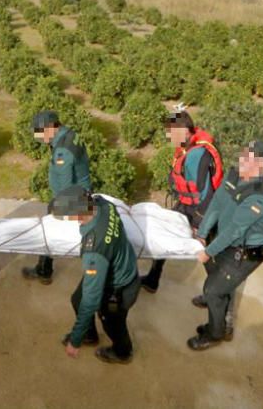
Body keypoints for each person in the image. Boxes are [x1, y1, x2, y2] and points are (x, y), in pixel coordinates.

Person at [188, 141, 263, 350]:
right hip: (226, 243)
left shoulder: (257, 197)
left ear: (260, 166)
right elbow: (216, 204)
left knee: (213, 290)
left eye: (250, 157)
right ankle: (219, 304)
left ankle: (216, 332)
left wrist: (208, 251)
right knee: (215, 276)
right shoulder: (234, 175)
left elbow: (235, 231)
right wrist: (201, 234)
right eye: (244, 154)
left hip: (244, 253)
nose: (243, 159)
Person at [140, 110, 223, 302]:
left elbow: (206, 195)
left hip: (200, 210)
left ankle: (218, 297)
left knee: (204, 253)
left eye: (172, 133)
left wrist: (200, 228)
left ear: (185, 130)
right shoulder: (187, 148)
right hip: (186, 204)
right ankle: (153, 279)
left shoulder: (198, 154)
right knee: (165, 234)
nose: (169, 137)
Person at [56, 186, 141, 365]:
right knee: (77, 299)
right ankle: (89, 334)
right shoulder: (104, 205)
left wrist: (75, 340)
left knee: (112, 324)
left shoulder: (94, 249)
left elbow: (92, 299)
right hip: (117, 264)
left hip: (119, 286)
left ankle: (122, 352)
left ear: (78, 215)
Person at [22, 110, 92, 285]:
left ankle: (44, 271)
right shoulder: (69, 135)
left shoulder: (62, 150)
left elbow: (65, 184)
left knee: (48, 232)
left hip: (71, 198)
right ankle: (44, 268)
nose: (38, 136)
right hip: (81, 191)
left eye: (40, 131)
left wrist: (57, 207)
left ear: (51, 128)